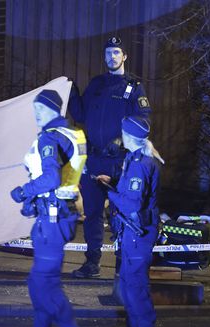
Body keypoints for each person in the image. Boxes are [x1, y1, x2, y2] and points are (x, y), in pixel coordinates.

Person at [7, 89, 93, 327]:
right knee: (39, 284)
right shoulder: (75, 134)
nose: (37, 115)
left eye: (41, 110)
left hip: (52, 221)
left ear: (54, 109)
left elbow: (51, 177)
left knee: (46, 286)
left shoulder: (49, 137)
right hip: (62, 216)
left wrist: (24, 191)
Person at [68, 36, 152, 278]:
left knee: (120, 216)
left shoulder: (134, 88)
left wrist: (122, 141)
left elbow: (143, 120)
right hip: (94, 161)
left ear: (124, 56)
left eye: (116, 52)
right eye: (108, 53)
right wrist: (72, 92)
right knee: (92, 214)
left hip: (119, 164)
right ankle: (92, 263)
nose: (112, 57)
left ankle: (120, 267)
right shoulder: (96, 85)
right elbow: (80, 113)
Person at [98, 116, 162, 327]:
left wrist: (108, 192)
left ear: (129, 136)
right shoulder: (134, 158)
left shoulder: (140, 164)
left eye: (123, 133)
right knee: (127, 286)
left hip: (138, 235)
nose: (120, 136)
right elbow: (131, 194)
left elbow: (132, 205)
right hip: (131, 234)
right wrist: (113, 183)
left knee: (136, 288)